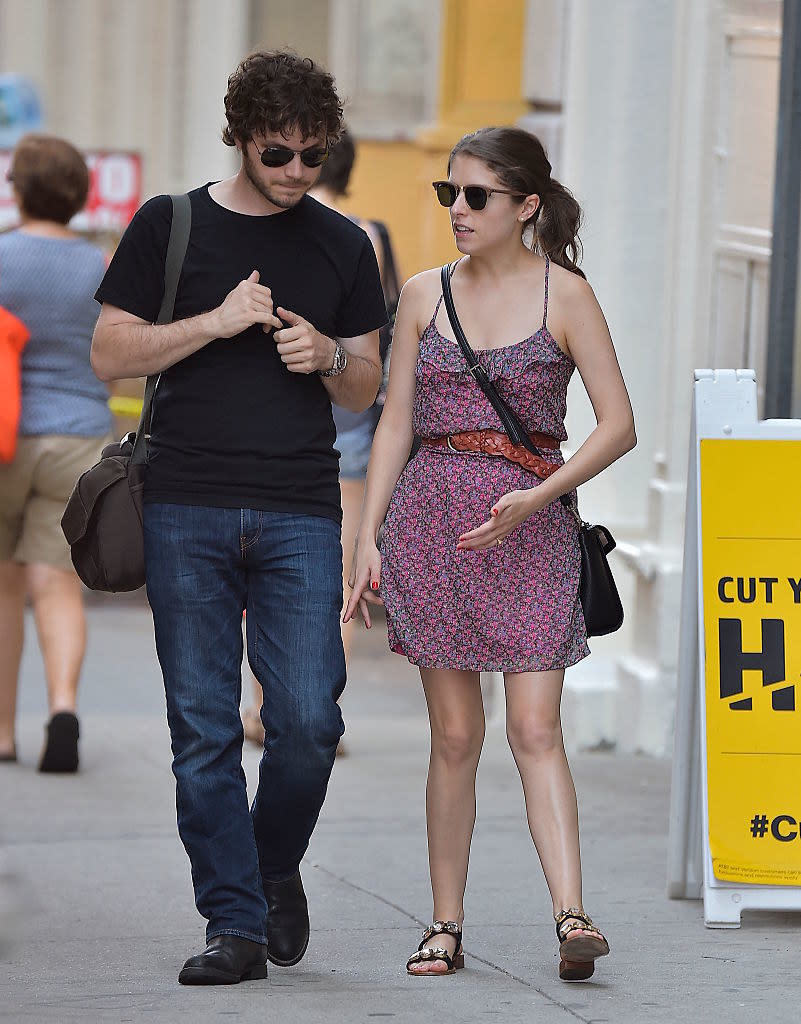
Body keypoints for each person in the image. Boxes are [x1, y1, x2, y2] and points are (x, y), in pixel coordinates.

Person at [90, 50, 386, 986]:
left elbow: (366, 387)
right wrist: (213, 324)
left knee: (306, 722)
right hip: (183, 503)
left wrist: (330, 354)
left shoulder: (342, 244)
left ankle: (266, 868)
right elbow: (109, 353)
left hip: (300, 508)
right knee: (205, 728)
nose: (296, 172)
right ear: (240, 136)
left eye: (311, 156)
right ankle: (234, 925)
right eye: (277, 154)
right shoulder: (168, 224)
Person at [345, 126, 636, 980]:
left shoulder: (566, 296)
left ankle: (572, 917)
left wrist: (537, 498)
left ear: (526, 205)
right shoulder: (420, 293)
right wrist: (366, 537)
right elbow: (393, 420)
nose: (459, 211)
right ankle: (444, 925)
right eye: (450, 195)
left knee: (536, 727)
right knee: (454, 735)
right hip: (432, 529)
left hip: (532, 526)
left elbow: (618, 426)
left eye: (477, 196)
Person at [241, 128, 401, 750]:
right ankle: (319, 708)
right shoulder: (370, 234)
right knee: (340, 567)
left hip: (283, 406)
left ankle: (262, 706)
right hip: (352, 408)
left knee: (266, 560)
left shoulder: (279, 226)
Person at [0, 134, 112, 773]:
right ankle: (63, 708)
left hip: (6, 436)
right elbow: (116, 362)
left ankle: (4, 735)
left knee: (5, 584)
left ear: (18, 188)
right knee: (57, 583)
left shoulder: (3, 255)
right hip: (79, 438)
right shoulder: (100, 268)